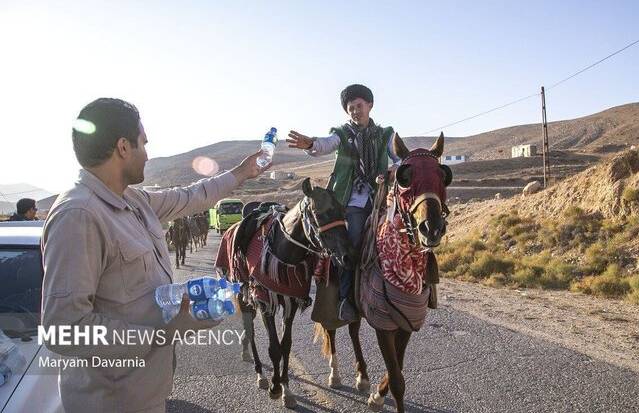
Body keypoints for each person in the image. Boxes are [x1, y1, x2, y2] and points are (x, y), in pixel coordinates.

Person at [41, 98, 270, 413]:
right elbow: (64, 328)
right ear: (123, 147)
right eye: (142, 143)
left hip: (145, 392)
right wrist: (164, 333)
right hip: (111, 402)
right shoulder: (78, 215)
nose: (147, 154)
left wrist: (242, 172)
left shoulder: (133, 200)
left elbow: (192, 197)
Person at [287, 84, 399, 321]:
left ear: (370, 105)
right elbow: (325, 144)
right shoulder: (342, 133)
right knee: (353, 241)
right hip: (353, 203)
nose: (356, 111)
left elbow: (402, 158)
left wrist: (393, 170)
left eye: (359, 106)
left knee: (404, 234)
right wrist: (310, 144)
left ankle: (409, 290)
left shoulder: (386, 134)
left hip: (381, 199)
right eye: (351, 108)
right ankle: (347, 299)